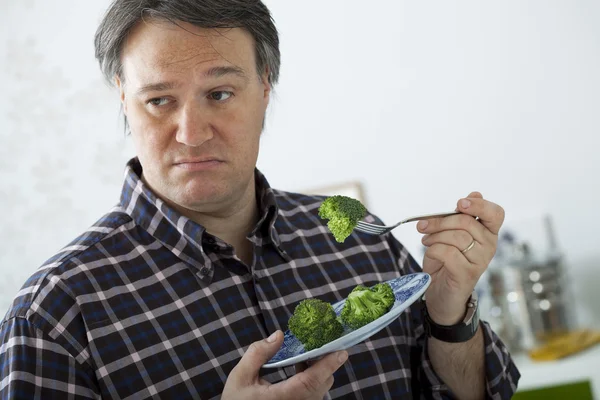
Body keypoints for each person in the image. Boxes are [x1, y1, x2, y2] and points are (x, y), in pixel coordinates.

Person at [0, 1, 520, 399]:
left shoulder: (359, 240)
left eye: (219, 94)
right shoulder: (54, 316)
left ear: (265, 87)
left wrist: (450, 316)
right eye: (159, 100)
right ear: (123, 97)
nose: (191, 133)